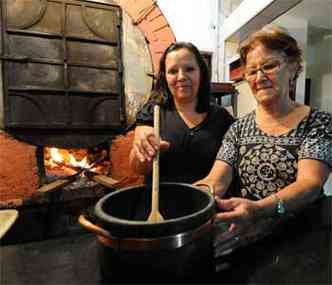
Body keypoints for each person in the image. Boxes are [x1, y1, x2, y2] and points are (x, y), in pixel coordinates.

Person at [196, 26, 332, 229]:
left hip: (305, 237)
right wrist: (190, 197)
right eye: (251, 71)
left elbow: (309, 184)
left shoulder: (318, 123)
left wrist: (260, 209)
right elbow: (216, 180)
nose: (259, 78)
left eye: (269, 66)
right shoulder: (238, 128)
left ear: (293, 68)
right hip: (252, 237)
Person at [129, 42, 234, 184]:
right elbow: (138, 169)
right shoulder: (153, 113)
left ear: (201, 73)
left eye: (189, 69)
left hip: (207, 201)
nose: (181, 76)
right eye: (173, 71)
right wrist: (143, 153)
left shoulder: (222, 118)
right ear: (164, 77)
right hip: (160, 203)